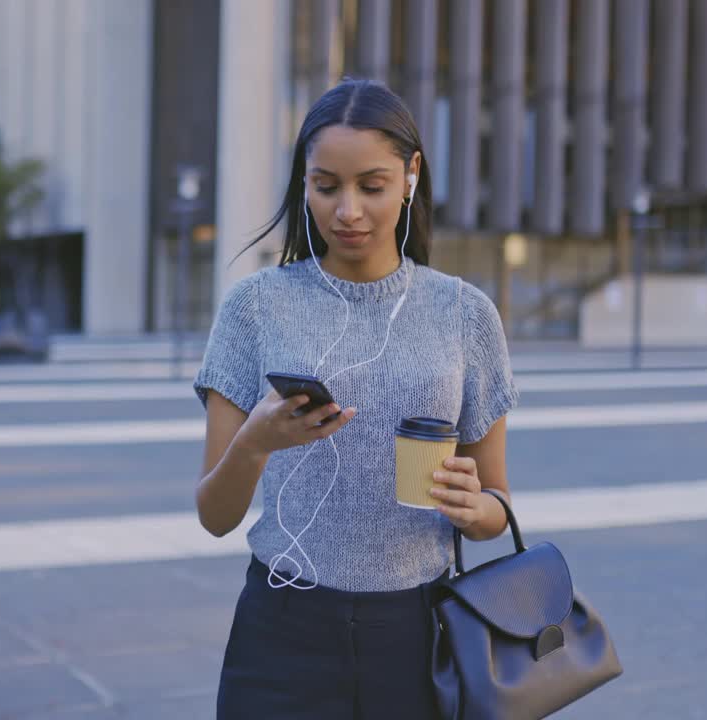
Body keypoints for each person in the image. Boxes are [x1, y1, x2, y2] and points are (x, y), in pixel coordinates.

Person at [193, 79, 519, 719]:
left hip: (417, 633)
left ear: (410, 176)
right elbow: (213, 513)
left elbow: (499, 508)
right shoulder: (254, 308)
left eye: (371, 186)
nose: (348, 211)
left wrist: (471, 506)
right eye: (325, 186)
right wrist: (256, 444)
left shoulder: (464, 313)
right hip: (282, 629)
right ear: (304, 183)